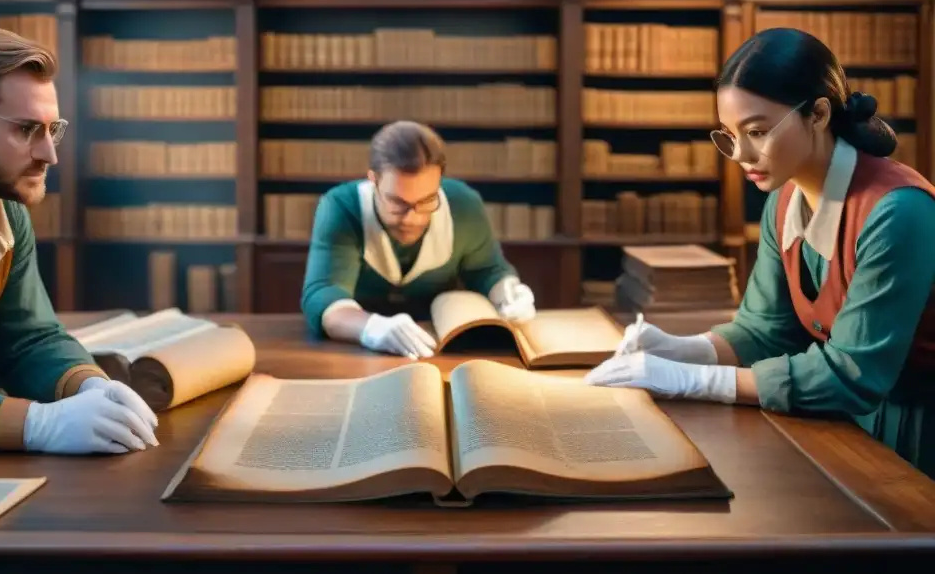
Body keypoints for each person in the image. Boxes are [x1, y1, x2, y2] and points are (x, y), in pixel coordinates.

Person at [584, 27, 935, 478]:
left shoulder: (897, 210)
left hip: (918, 431)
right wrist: (684, 349)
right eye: (729, 135)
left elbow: (851, 374)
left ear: (819, 114)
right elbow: (766, 330)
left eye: (757, 131)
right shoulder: (783, 201)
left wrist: (695, 380)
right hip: (845, 421)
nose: (740, 155)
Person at [0, 27, 159, 459]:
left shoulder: (8, 215)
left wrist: (91, 386)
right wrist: (38, 424)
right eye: (26, 129)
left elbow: (26, 340)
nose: (50, 154)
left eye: (52, 129)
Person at [300, 119, 537, 358]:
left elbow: (487, 271)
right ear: (374, 180)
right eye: (397, 203)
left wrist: (508, 292)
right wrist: (370, 327)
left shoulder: (464, 205)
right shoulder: (342, 206)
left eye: (426, 201)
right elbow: (324, 296)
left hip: (443, 351)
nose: (412, 219)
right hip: (356, 354)